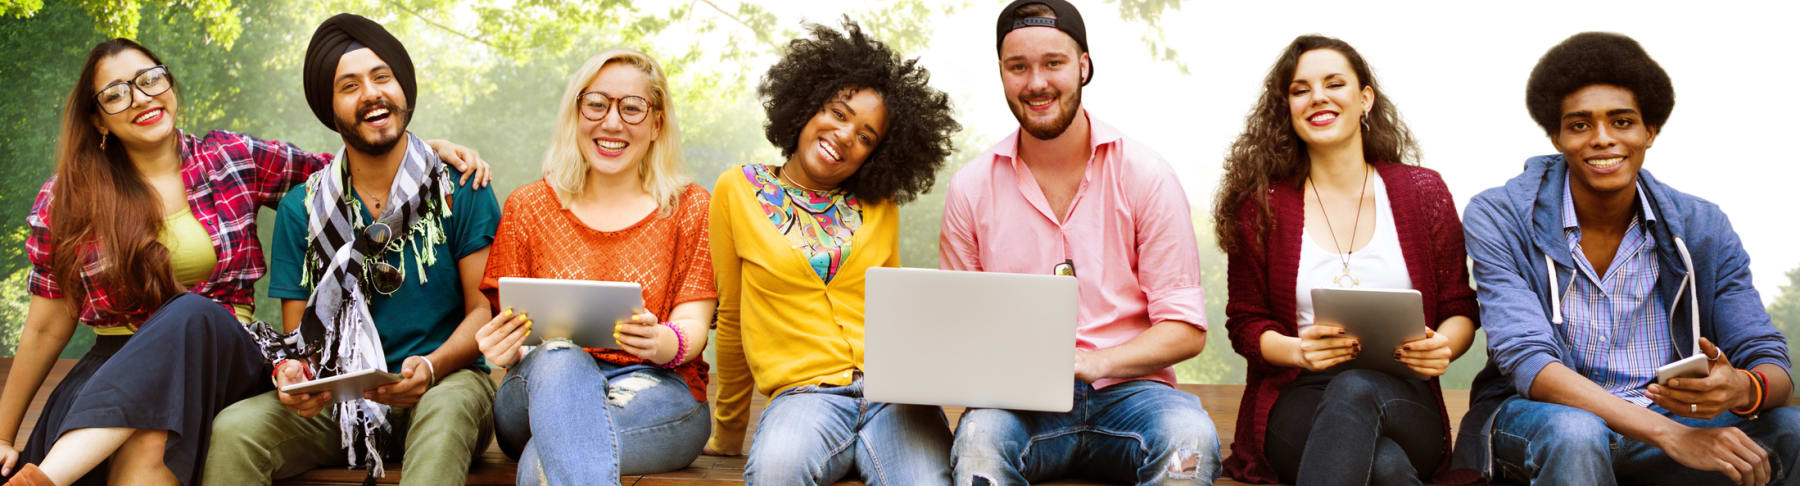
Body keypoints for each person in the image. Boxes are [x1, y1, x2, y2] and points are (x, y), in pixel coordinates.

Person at [0, 36, 487, 486]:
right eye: (116, 94)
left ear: (169, 84)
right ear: (98, 119)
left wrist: (425, 154)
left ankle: (45, 480)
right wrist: (3, 434)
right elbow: (45, 327)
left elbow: (349, 170)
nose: (142, 98)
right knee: (153, 432)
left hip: (226, 350)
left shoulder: (231, 159)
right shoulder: (68, 198)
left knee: (189, 313)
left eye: (151, 79)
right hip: (118, 367)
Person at [1456, 31, 1799, 486]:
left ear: (1649, 131)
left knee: (1790, 429)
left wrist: (1742, 388)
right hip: (1546, 419)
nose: (1602, 139)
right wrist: (1671, 435)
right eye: (1580, 125)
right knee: (1576, 433)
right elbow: (1528, 361)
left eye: (1622, 122)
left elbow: (1770, 362)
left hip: (1668, 415)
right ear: (1556, 136)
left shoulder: (1702, 226)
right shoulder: (1501, 214)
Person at [200, 13, 501, 485]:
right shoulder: (303, 208)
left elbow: (483, 312)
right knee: (236, 430)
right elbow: (302, 337)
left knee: (447, 410)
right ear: (330, 107)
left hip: (447, 382)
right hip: (344, 399)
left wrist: (429, 366)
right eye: (350, 86)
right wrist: (294, 376)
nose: (372, 94)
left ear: (404, 89)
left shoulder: (460, 187)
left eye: (382, 77)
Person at [939, 1, 1220, 484]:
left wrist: (1095, 362)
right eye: (1018, 67)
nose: (1036, 83)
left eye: (1054, 63)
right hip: (1021, 402)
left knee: (1190, 440)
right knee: (978, 441)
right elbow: (962, 325)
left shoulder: (1146, 176)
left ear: (1084, 66)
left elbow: (1186, 329)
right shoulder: (970, 187)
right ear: (1002, 74)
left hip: (1135, 396)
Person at [1211, 35, 1481, 486]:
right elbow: (1245, 324)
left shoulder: (1423, 192)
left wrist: (1445, 347)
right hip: (1298, 396)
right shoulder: (1262, 206)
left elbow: (1460, 308)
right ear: (1288, 108)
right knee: (1387, 468)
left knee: (1357, 389)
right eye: (1300, 89)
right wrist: (1297, 349)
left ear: (1364, 99)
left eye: (1334, 83)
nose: (1318, 97)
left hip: (1405, 399)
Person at [705, 19, 961, 486]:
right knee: (775, 473)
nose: (845, 135)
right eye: (838, 113)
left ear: (876, 155)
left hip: (895, 397)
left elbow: (896, 311)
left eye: (866, 136)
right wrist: (728, 431)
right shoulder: (736, 190)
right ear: (805, 106)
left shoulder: (880, 208)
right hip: (805, 396)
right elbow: (733, 316)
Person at [473, 47, 716, 485]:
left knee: (545, 457)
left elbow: (693, 327)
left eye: (632, 108)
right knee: (560, 357)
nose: (611, 122)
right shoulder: (528, 207)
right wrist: (501, 349)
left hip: (655, 392)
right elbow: (513, 339)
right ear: (576, 112)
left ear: (657, 123)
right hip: (534, 391)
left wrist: (661, 340)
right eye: (597, 104)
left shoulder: (691, 208)